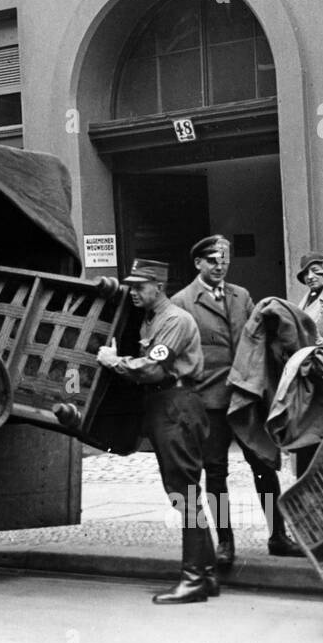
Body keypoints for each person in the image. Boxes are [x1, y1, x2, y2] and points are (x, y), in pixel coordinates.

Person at [172, 235, 304, 567]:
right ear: (198, 263)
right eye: (214, 260)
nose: (221, 266)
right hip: (210, 400)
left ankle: (278, 536)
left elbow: (255, 339)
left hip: (245, 397)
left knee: (264, 464)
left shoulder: (241, 296)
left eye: (225, 260)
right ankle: (225, 543)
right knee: (215, 472)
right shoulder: (182, 302)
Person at [96, 258, 215, 604]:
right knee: (185, 491)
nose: (133, 291)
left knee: (184, 493)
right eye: (131, 285)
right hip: (167, 406)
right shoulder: (152, 319)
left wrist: (114, 362)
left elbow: (153, 369)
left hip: (176, 405)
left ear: (159, 286)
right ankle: (204, 575)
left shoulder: (174, 319)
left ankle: (194, 580)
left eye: (139, 286)